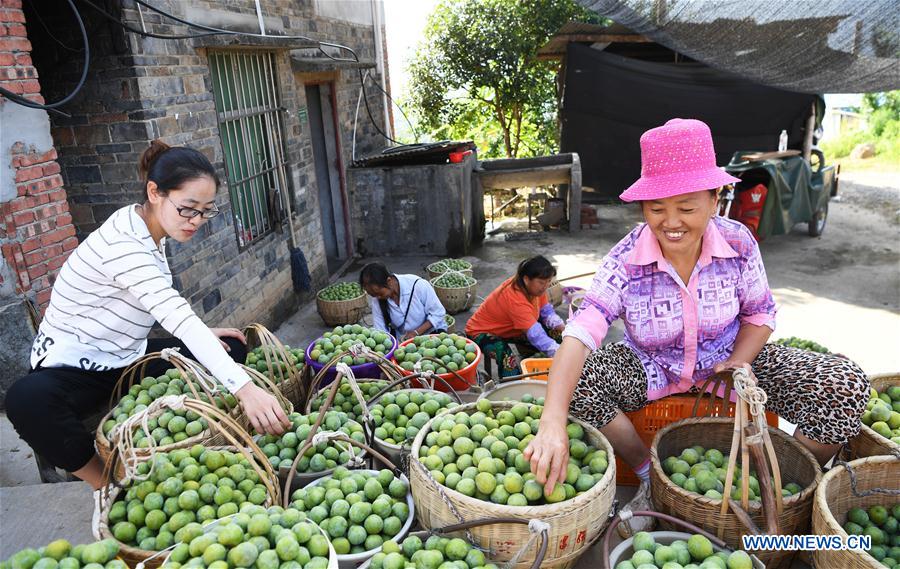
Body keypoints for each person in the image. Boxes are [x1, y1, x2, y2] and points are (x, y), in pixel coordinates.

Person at [522, 119, 868, 535]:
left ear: (715, 197)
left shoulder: (739, 243)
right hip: (651, 365)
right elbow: (581, 331)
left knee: (844, 383)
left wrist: (737, 365)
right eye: (656, 209)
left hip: (729, 361)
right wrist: (551, 421)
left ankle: (783, 484)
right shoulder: (626, 258)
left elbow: (760, 315)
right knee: (573, 385)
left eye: (687, 207)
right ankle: (648, 473)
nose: (671, 222)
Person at [5, 140, 290, 490]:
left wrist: (202, 334)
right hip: (76, 368)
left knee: (231, 346)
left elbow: (153, 306)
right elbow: (175, 313)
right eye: (188, 208)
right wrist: (246, 390)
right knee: (26, 401)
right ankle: (108, 485)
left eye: (206, 210)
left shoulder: (152, 228)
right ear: (154, 192)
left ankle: (192, 442)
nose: (197, 220)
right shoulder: (122, 244)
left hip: (126, 356)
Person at [465, 255, 565, 377]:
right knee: (507, 357)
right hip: (481, 331)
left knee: (557, 334)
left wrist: (559, 325)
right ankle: (512, 385)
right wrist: (558, 353)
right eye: (541, 282)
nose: (545, 286)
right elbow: (535, 334)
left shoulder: (535, 288)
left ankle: (533, 360)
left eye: (548, 282)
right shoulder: (514, 297)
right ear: (527, 279)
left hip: (511, 328)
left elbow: (546, 310)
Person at [360, 262, 447, 341]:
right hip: (405, 341)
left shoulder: (418, 285)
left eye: (379, 293)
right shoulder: (378, 299)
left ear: (389, 281)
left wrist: (416, 332)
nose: (377, 298)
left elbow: (438, 313)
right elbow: (380, 330)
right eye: (373, 295)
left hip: (432, 334)